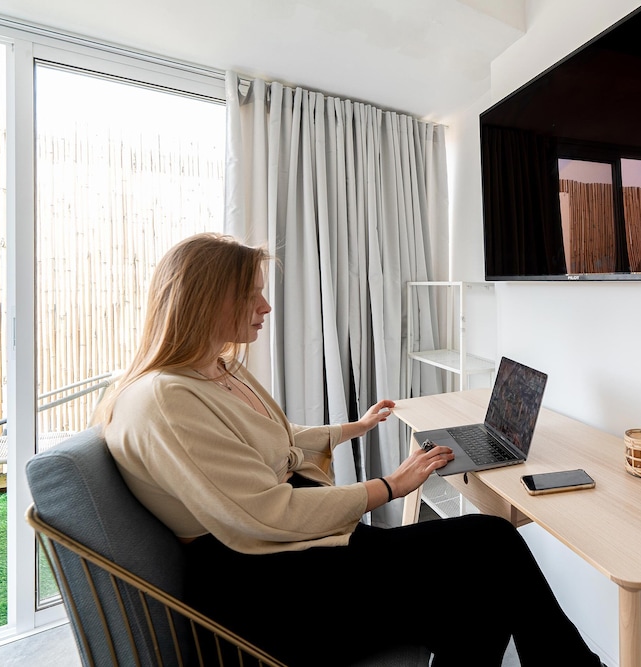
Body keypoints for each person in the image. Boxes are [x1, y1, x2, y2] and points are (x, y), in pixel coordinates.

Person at [93, 233, 607, 667]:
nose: (266, 307)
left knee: (482, 584)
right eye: (252, 295)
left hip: (299, 550)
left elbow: (274, 441)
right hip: (264, 585)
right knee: (492, 545)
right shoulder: (165, 399)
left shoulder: (217, 370)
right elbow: (263, 514)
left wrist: (351, 429)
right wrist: (389, 486)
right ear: (206, 301)